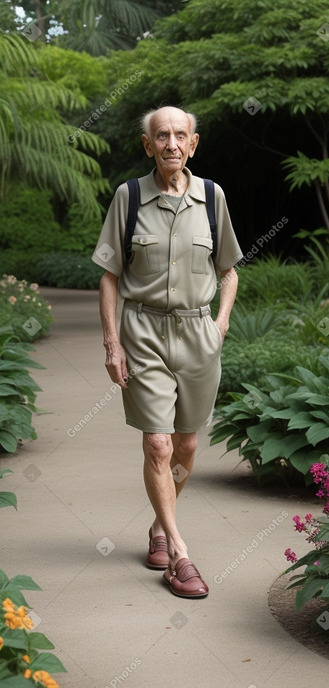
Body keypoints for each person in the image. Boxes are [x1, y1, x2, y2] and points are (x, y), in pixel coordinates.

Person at [92, 105, 242, 599]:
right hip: (144, 333)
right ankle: (178, 552)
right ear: (148, 145)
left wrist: (220, 323)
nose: (171, 144)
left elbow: (229, 270)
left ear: (193, 144)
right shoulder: (129, 196)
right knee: (158, 445)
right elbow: (110, 275)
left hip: (199, 335)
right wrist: (113, 342)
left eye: (181, 136)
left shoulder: (212, 197)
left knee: (187, 446)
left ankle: (159, 527)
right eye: (162, 136)